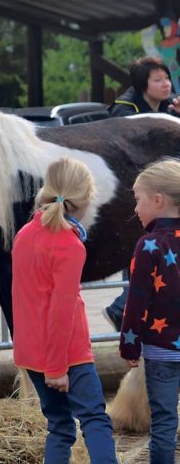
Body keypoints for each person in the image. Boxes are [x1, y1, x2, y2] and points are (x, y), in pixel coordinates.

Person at [12, 157, 117, 464]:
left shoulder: (24, 235)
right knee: (95, 420)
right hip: (67, 354)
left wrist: (44, 363)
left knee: (59, 427)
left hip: (32, 353)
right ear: (85, 201)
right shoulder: (70, 246)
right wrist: (57, 367)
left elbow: (24, 299)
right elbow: (62, 309)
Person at [103, 56, 180, 331]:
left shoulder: (168, 110)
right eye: (157, 79)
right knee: (141, 244)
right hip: (135, 195)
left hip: (164, 194)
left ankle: (124, 308)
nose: (166, 84)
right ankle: (122, 307)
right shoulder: (124, 111)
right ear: (142, 84)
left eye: (167, 78)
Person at [119, 158, 180, 463]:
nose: (135, 208)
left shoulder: (148, 245)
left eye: (138, 199)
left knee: (165, 423)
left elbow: (137, 301)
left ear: (158, 200)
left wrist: (129, 345)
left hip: (161, 352)